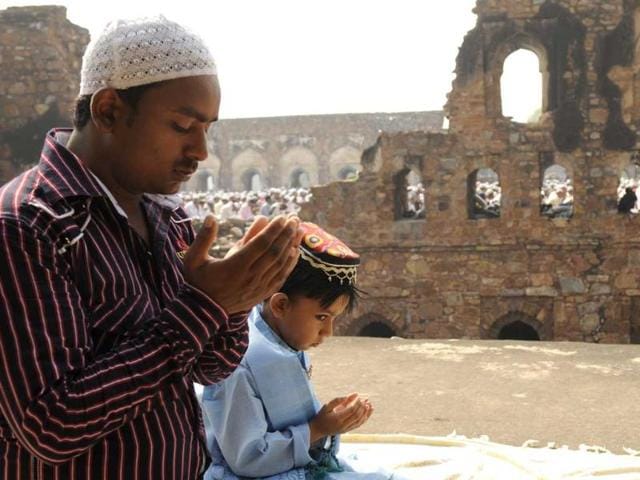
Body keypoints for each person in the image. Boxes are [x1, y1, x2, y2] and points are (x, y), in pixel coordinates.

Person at [0, 16, 302, 479]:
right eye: (183, 125)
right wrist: (205, 305)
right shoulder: (29, 225)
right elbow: (52, 426)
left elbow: (209, 367)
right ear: (108, 111)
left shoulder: (164, 214)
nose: (201, 150)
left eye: (207, 129)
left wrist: (235, 301)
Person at [201, 222, 394, 479]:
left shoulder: (283, 339)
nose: (329, 332)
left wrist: (329, 424)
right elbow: (246, 459)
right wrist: (317, 429)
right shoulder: (237, 361)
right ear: (280, 305)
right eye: (322, 317)